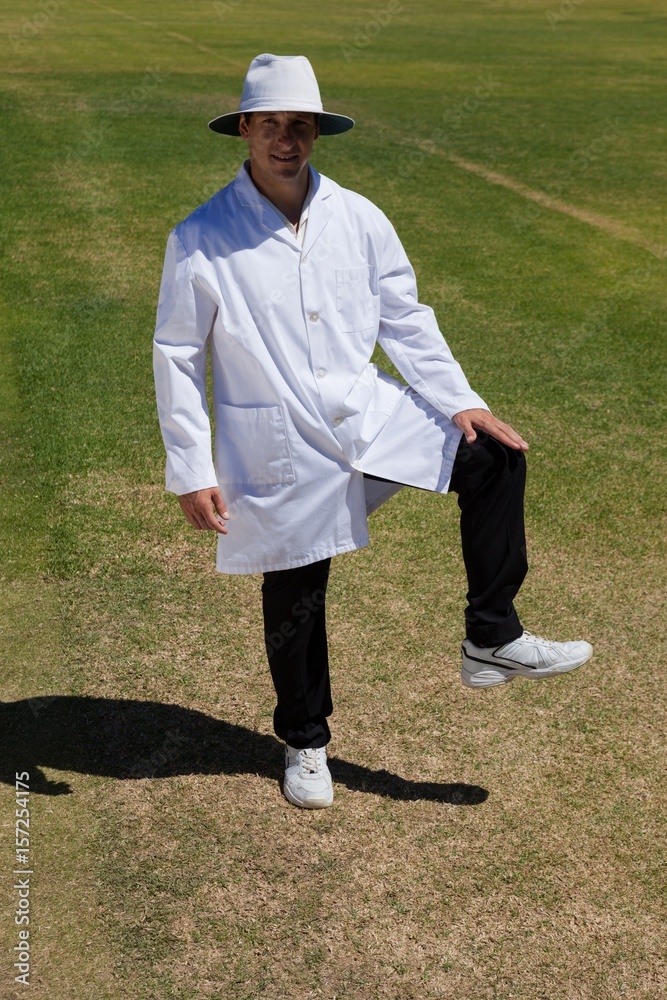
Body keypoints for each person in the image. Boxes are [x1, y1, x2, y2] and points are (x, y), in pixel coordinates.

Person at [153, 53, 592, 810]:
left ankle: (491, 637)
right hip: (280, 438)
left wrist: (461, 400)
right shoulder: (201, 236)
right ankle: (304, 743)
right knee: (296, 586)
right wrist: (191, 466)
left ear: (316, 132)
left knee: (494, 457)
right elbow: (177, 353)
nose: (286, 140)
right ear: (246, 131)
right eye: (271, 126)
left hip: (368, 416)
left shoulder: (358, 217)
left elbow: (404, 317)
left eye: (301, 126)